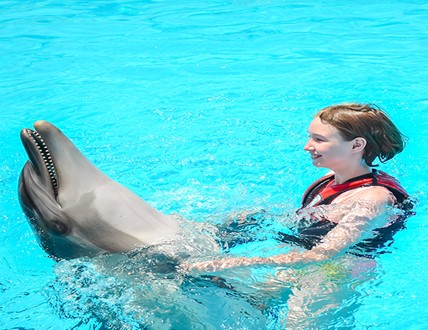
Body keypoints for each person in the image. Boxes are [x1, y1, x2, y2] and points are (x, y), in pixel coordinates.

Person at [183, 103, 414, 272]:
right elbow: (301, 221)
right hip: (303, 257)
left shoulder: (372, 200)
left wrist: (227, 264)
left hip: (336, 272)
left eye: (319, 140)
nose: (307, 146)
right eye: (309, 137)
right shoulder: (330, 178)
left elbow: (324, 255)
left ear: (356, 145)